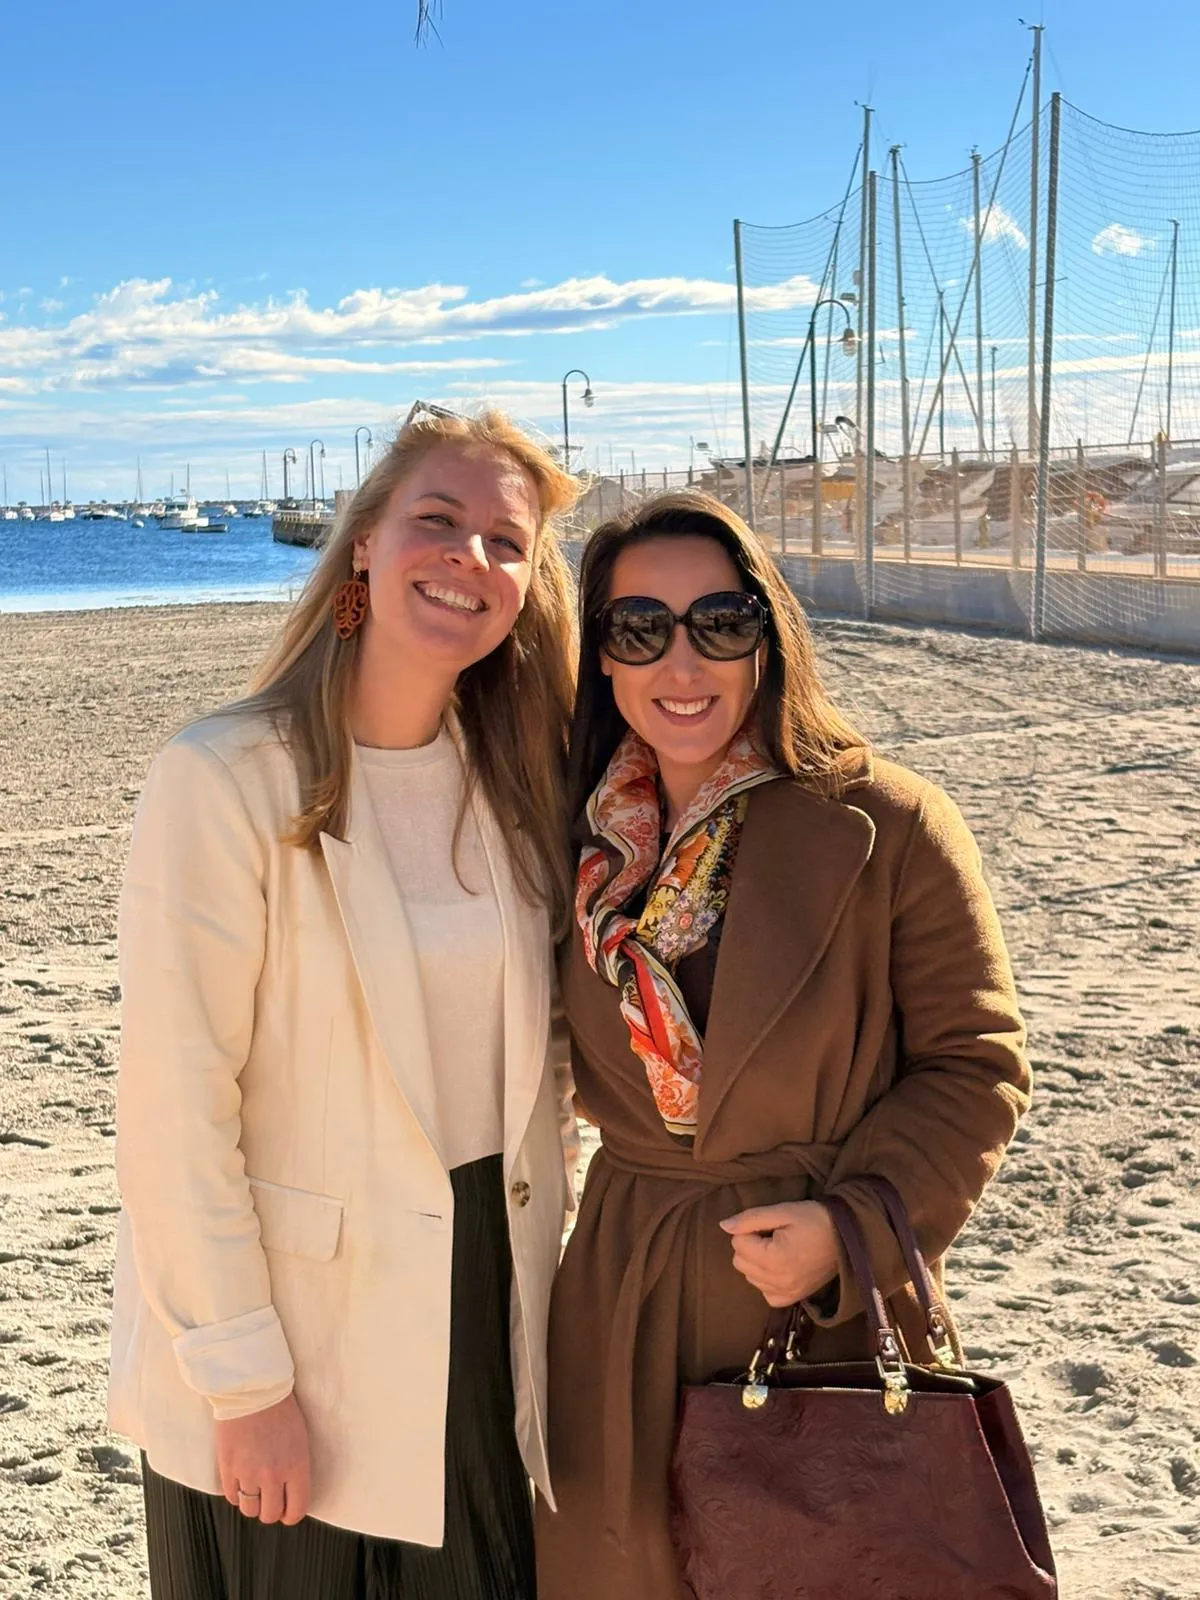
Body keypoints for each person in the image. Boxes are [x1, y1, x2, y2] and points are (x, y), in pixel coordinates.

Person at [109, 404, 581, 1600]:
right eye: (439, 520)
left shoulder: (516, 786)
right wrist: (243, 1383)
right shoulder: (225, 776)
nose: (470, 557)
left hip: (485, 1303)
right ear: (363, 542)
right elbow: (173, 1112)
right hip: (293, 1331)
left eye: (506, 542)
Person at [537, 491, 1030, 1599]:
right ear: (603, 657)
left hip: (824, 1303)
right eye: (639, 628)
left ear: (767, 634)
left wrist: (850, 1232)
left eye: (719, 622)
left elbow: (977, 1061)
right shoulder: (574, 844)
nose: (682, 662)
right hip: (617, 1295)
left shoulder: (890, 822)